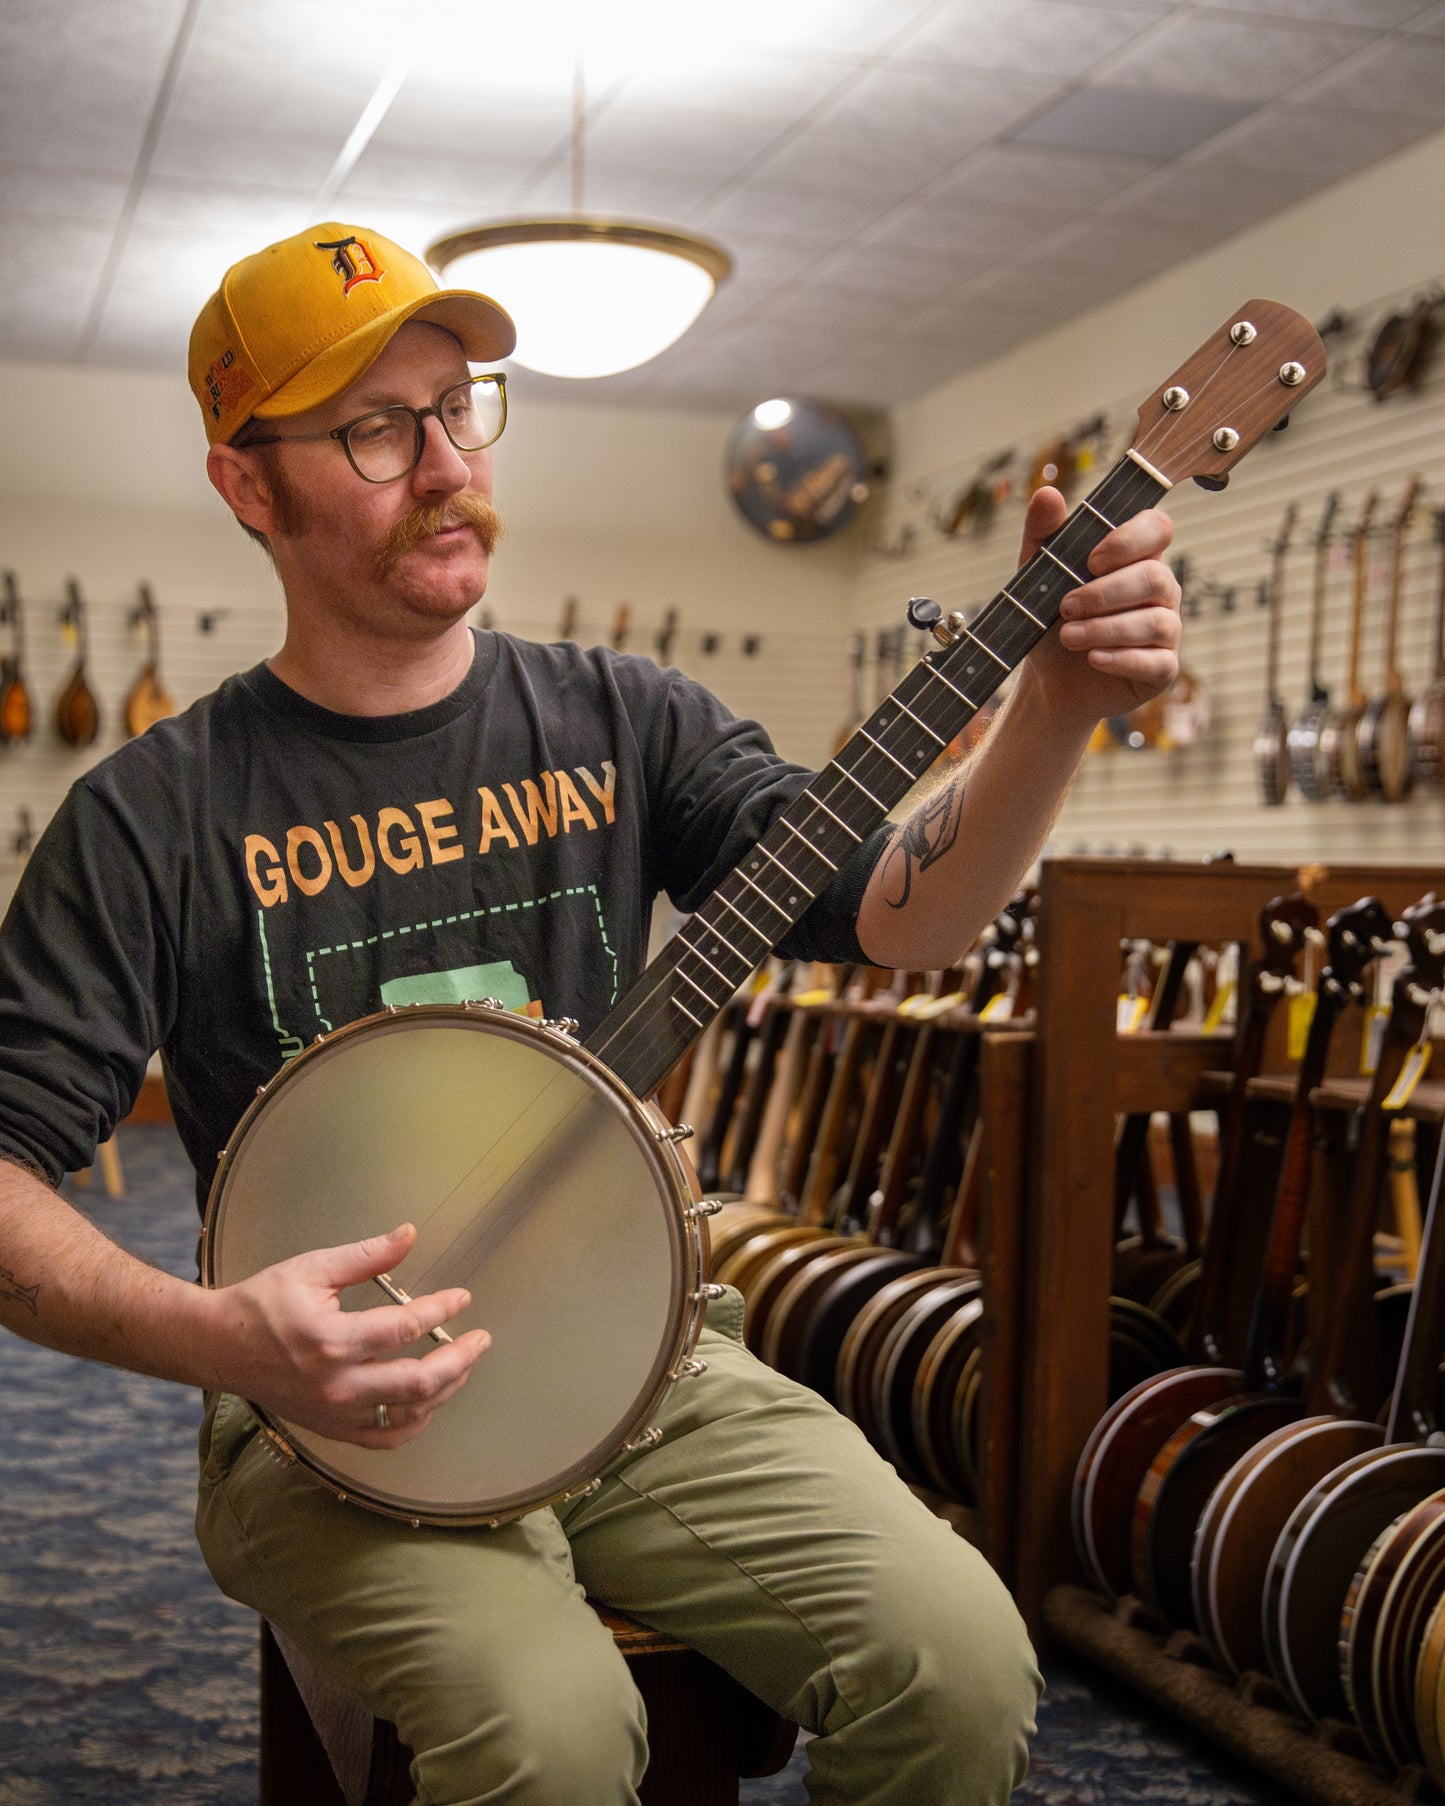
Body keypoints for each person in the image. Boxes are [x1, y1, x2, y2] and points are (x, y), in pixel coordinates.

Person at [0, 222, 1182, 1804]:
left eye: (456, 406)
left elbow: (902, 915)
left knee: (957, 1665)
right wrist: (222, 1339)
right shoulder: (153, 812)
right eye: (370, 429)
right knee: (548, 1737)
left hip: (646, 1353)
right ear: (247, 484)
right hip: (328, 1413)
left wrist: (1051, 708)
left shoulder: (628, 718)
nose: (440, 464)